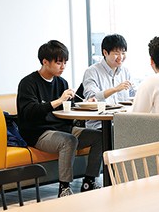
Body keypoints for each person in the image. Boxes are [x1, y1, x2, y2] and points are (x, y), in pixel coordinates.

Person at [17, 40, 103, 197]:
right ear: (45, 62)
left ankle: (88, 182)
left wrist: (84, 104)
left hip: (63, 129)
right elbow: (29, 112)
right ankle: (64, 188)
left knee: (100, 137)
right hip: (38, 133)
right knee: (68, 140)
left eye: (65, 62)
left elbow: (68, 109)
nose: (63, 66)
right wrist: (58, 101)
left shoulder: (61, 82)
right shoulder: (28, 83)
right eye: (58, 62)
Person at [81, 33, 133, 129]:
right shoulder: (92, 71)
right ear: (105, 53)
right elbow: (92, 99)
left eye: (123, 52)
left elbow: (130, 97)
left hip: (122, 123)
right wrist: (115, 89)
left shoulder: (125, 71)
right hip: (99, 125)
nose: (121, 57)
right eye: (116, 53)